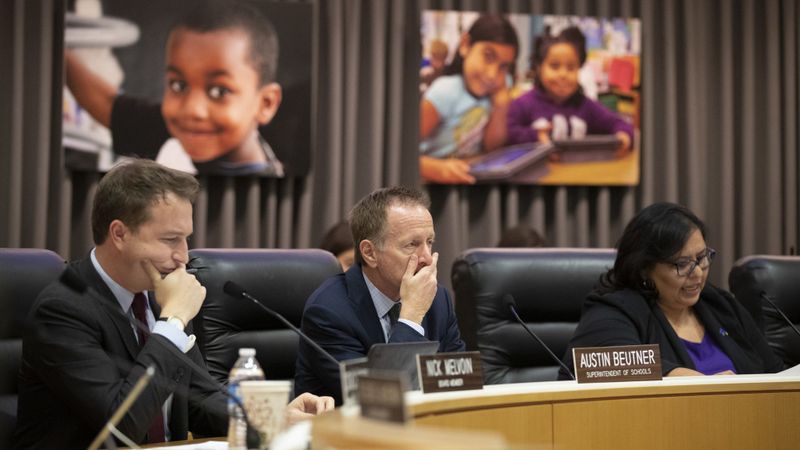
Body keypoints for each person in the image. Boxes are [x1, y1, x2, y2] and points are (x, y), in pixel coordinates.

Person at [13, 159, 332, 449]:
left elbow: (200, 400)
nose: (183, 255)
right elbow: (121, 426)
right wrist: (173, 322)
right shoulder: (62, 309)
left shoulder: (159, 292)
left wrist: (273, 419)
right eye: (169, 240)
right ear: (120, 234)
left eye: (185, 238)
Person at [558, 202, 784, 380]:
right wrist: (704, 386)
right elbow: (603, 363)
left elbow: (774, 375)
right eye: (682, 263)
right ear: (645, 269)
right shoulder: (616, 309)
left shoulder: (721, 305)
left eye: (702, 258)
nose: (697, 273)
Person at [65, 0, 284, 176]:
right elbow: (109, 106)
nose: (192, 109)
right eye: (179, 85)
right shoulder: (182, 133)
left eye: (219, 91)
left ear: (265, 104)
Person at [294, 186, 466, 404]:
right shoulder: (329, 311)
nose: (427, 258)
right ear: (370, 253)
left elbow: (459, 384)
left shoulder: (438, 298)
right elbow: (378, 399)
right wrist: (411, 316)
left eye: (429, 242)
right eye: (412, 244)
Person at [419, 14, 519, 184]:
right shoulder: (444, 92)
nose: (492, 75)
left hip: (471, 177)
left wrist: (501, 105)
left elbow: (493, 149)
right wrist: (436, 169)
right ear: (465, 45)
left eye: (503, 66)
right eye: (488, 56)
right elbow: (401, 153)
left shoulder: (501, 86)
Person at [506, 26, 633, 158]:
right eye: (554, 66)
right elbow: (506, 133)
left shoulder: (587, 106)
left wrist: (624, 137)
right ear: (539, 68)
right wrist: (535, 136)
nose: (563, 74)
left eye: (571, 67)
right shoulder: (523, 104)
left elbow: (620, 124)